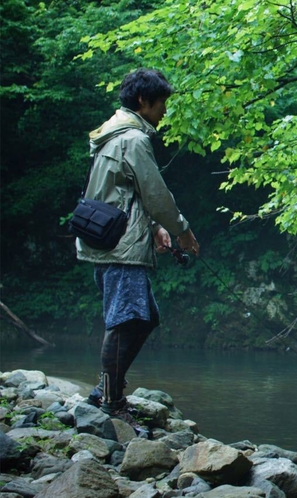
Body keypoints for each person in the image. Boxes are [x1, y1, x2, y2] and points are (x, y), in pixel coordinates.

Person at [76, 68, 199, 436]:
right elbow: (156, 194)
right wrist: (182, 232)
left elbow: (123, 193)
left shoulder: (114, 134)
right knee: (126, 321)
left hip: (115, 240)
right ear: (143, 102)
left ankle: (105, 391)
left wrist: (156, 229)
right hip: (121, 248)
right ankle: (111, 402)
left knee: (143, 319)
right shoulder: (132, 139)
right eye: (162, 104)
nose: (164, 111)